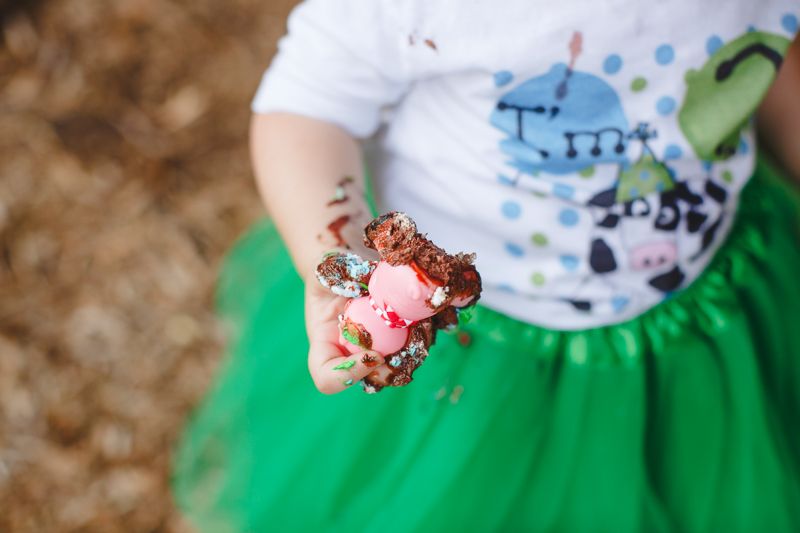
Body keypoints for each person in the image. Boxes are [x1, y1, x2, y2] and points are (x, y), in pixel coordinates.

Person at [172, 1, 800, 531]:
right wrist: (334, 255)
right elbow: (309, 101)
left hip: (710, 303)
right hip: (479, 340)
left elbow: (767, 53)